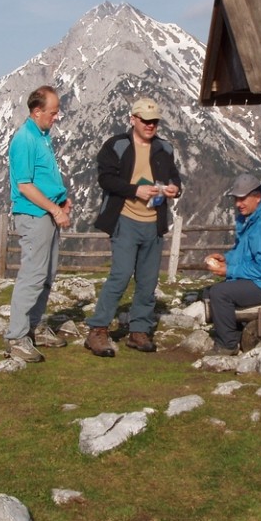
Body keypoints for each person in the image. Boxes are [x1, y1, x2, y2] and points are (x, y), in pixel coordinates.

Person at [84, 98, 182, 357]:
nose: (150, 125)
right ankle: (98, 329)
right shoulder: (116, 146)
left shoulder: (164, 148)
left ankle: (139, 331)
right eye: (146, 121)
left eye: (154, 121)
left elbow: (174, 176)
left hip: (154, 222)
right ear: (133, 120)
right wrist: (134, 189)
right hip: (125, 219)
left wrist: (174, 188)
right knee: (121, 274)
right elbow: (105, 180)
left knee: (148, 281)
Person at [4, 85, 73, 363]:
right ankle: (17, 337)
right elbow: (25, 186)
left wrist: (62, 199)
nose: (57, 117)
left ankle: (35, 326)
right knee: (33, 275)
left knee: (47, 274)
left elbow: (44, 178)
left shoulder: (43, 136)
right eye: (53, 112)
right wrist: (55, 210)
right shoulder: (25, 139)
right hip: (34, 214)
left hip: (46, 212)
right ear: (37, 111)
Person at [202, 173, 261, 355]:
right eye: (236, 199)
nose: (237, 204)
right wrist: (226, 259)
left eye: (242, 199)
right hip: (259, 281)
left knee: (220, 293)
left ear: (257, 197)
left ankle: (227, 344)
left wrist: (229, 271)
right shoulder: (250, 221)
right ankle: (238, 332)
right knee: (211, 291)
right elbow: (242, 254)